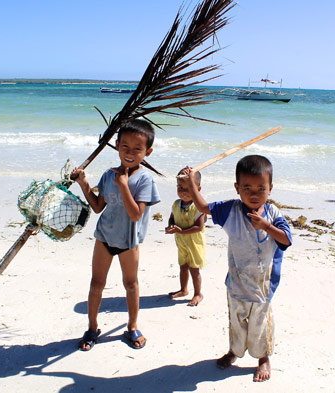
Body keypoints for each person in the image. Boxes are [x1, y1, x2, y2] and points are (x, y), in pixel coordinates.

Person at [179, 155, 292, 382]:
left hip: (263, 285)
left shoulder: (273, 214)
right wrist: (191, 182)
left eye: (261, 188)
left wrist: (266, 226)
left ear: (270, 188)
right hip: (236, 282)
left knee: (260, 324)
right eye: (247, 187)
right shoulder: (230, 210)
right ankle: (234, 351)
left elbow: (287, 240)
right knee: (236, 321)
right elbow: (202, 206)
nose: (254, 193)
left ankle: (263, 358)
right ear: (237, 188)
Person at [71, 119, 160, 351]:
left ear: (147, 152)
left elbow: (135, 215)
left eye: (137, 149)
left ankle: (132, 327)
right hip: (104, 237)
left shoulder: (145, 179)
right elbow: (99, 206)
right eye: (125, 147)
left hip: (129, 242)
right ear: (117, 145)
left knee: (130, 284)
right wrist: (83, 184)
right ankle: (92, 328)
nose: (130, 153)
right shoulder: (108, 175)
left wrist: (123, 185)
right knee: (96, 283)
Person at [165, 169, 206, 306]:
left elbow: (199, 227)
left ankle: (198, 293)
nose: (183, 191)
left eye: (188, 188)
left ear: (197, 189)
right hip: (181, 243)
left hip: (194, 244)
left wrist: (181, 231)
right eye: (180, 187)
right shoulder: (176, 204)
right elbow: (172, 218)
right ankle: (183, 289)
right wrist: (170, 227)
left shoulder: (198, 206)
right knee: (183, 267)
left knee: (194, 270)